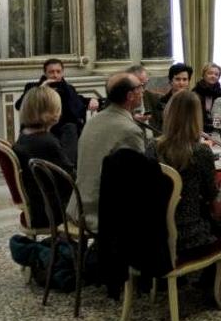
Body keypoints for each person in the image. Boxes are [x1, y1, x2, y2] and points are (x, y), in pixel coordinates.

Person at [70, 72, 146, 233]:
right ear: (130, 95)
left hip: (79, 205)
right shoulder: (129, 130)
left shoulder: (95, 120)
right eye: (141, 87)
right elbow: (140, 178)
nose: (143, 91)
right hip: (102, 213)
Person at [149, 90, 218, 254]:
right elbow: (211, 195)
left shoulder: (152, 147)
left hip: (154, 229)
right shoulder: (201, 152)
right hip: (190, 233)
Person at [14, 58, 98, 164]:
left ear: (62, 73)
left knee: (71, 128)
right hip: (39, 126)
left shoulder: (68, 89)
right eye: (51, 72)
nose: (55, 75)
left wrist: (91, 100)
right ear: (45, 73)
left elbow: (77, 102)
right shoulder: (32, 87)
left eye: (58, 72)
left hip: (62, 127)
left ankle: (68, 164)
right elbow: (20, 105)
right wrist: (41, 90)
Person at [13, 86, 75, 228]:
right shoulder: (46, 142)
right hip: (52, 210)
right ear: (53, 111)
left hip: (38, 206)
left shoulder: (24, 136)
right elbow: (71, 180)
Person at [152, 63, 193, 132]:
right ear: (171, 81)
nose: (181, 83)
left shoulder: (193, 101)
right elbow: (159, 128)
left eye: (185, 79)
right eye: (177, 79)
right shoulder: (162, 103)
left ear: (188, 82)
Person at [192, 62, 221, 132]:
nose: (213, 76)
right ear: (203, 75)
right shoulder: (195, 92)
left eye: (216, 74)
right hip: (198, 128)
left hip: (215, 128)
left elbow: (218, 115)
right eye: (210, 73)